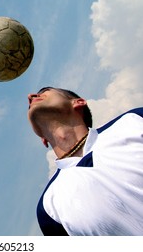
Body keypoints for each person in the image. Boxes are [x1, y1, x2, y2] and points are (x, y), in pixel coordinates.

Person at [27, 86, 143, 236]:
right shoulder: (49, 209)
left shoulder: (134, 121)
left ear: (78, 102)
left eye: (44, 91)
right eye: (29, 105)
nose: (31, 96)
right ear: (42, 138)